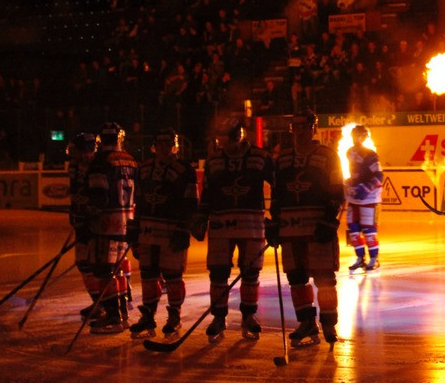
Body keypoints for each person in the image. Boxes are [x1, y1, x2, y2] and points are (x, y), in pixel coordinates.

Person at [270, 110, 344, 347]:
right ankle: (306, 322)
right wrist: (273, 221)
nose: (300, 131)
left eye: (305, 126)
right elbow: (278, 193)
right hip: (290, 228)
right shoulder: (282, 159)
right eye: (296, 126)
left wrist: (330, 220)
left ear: (314, 129)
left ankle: (329, 324)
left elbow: (337, 190)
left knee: (324, 278)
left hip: (317, 225)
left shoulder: (328, 155)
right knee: (296, 277)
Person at [194, 122, 274, 341]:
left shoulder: (260, 157)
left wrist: (276, 216)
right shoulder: (215, 160)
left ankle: (249, 316)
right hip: (220, 224)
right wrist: (201, 215)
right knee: (218, 273)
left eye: (225, 140)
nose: (222, 145)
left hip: (252, 223)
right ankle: (219, 317)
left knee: (250, 272)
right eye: (220, 140)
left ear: (238, 137)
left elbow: (279, 184)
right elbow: (207, 192)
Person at [129, 128, 199, 337]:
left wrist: (183, 228)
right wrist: (134, 227)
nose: (163, 148)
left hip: (172, 232)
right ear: (154, 145)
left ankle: (174, 316)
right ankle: (148, 315)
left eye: (167, 144)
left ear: (174, 146)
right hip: (148, 231)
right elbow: (138, 200)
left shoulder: (185, 170)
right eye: (159, 144)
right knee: (148, 275)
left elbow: (191, 202)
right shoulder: (144, 168)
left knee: (173, 276)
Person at [85, 122, 139, 334]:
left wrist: (88, 214)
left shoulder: (99, 162)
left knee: (103, 270)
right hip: (128, 221)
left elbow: (98, 196)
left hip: (106, 224)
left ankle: (113, 316)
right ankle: (123, 310)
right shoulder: (131, 159)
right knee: (117, 269)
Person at [68, 132, 100, 322]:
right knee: (83, 263)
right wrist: (73, 213)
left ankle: (105, 302)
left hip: (94, 223)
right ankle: (97, 301)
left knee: (99, 264)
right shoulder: (74, 167)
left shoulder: (96, 167)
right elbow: (74, 192)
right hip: (81, 221)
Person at [346, 124, 383, 273]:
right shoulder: (349, 152)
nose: (356, 139)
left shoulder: (371, 155)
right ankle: (360, 258)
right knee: (353, 229)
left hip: (370, 198)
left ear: (364, 137)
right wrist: (349, 183)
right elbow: (353, 172)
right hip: (354, 196)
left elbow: (379, 176)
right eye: (354, 136)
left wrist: (366, 188)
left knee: (369, 231)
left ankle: (374, 259)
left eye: (359, 136)